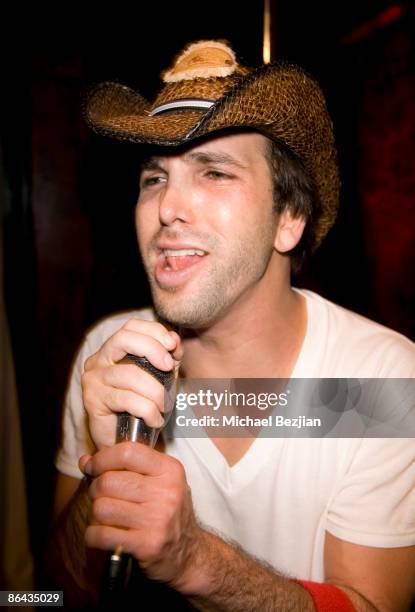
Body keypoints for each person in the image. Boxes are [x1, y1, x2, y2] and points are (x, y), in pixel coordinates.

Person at [51, 40, 415, 610]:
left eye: (215, 172)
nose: (168, 207)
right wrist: (107, 474)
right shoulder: (111, 354)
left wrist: (194, 559)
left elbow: (371, 604)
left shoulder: (379, 379)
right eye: (153, 179)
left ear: (289, 219)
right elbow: (47, 596)